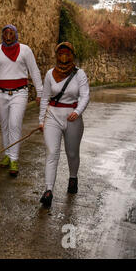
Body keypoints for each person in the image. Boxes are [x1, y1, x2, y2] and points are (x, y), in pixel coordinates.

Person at [0, 25, 43, 177]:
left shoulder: (25, 50)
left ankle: (14, 159)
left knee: (14, 124)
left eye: (11, 33)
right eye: (5, 33)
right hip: (1, 93)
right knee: (5, 125)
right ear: (2, 35)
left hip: (19, 93)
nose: (8, 36)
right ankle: (8, 154)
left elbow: (34, 71)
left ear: (16, 34)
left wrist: (40, 92)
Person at [38, 42, 90, 207]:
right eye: (61, 53)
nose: (64, 56)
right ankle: (48, 190)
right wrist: (41, 120)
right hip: (52, 116)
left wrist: (78, 111)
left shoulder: (79, 74)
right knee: (52, 152)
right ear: (57, 55)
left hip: (72, 118)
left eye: (67, 53)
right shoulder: (49, 74)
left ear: (72, 55)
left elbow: (85, 95)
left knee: (72, 153)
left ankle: (73, 178)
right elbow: (45, 98)